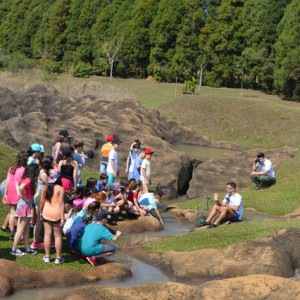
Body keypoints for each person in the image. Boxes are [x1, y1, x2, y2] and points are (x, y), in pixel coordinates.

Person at [11, 164, 40, 255]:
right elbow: (20, 187)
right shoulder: (29, 179)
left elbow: (17, 184)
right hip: (25, 204)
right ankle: (14, 249)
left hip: (26, 204)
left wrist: (22, 197)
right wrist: (23, 197)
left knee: (26, 227)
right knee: (21, 228)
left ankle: (27, 248)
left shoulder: (25, 178)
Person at [40, 170, 65, 264]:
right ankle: (58, 258)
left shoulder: (45, 187)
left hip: (46, 212)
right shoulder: (60, 188)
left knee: (47, 234)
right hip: (57, 214)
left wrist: (40, 212)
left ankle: (47, 256)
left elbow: (41, 201)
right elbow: (61, 204)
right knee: (58, 236)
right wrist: (62, 217)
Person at [2, 151, 28, 240]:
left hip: (10, 192)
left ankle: (12, 233)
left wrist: (5, 194)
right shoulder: (24, 170)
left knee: (12, 213)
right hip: (18, 192)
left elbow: (7, 182)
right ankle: (18, 233)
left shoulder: (11, 168)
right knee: (20, 214)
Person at [31, 157, 52, 250]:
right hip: (40, 197)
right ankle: (35, 242)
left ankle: (36, 239)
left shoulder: (41, 172)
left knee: (39, 219)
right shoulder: (44, 174)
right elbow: (47, 187)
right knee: (40, 220)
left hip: (38, 195)